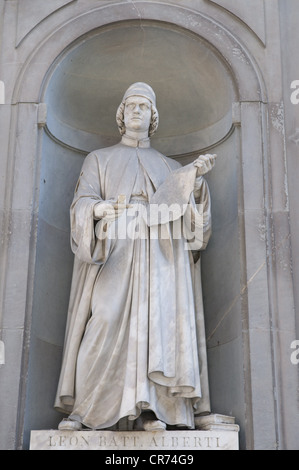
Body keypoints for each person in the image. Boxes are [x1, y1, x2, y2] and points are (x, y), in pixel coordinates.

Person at [55, 82, 216, 431]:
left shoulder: (170, 166)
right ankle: (86, 409)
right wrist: (99, 208)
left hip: (161, 256)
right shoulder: (99, 159)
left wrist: (196, 184)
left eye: (144, 106)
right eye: (131, 106)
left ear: (153, 116)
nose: (137, 111)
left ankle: (151, 410)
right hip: (116, 249)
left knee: (158, 326)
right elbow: (80, 204)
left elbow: (193, 228)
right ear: (121, 115)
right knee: (105, 320)